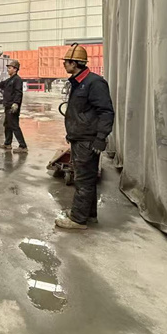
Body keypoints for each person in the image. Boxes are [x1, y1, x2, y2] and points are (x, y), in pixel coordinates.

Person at [55, 44, 115, 230]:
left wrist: (100, 137)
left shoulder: (94, 83)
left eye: (66, 62)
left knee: (82, 180)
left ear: (74, 63)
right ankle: (89, 215)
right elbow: (80, 112)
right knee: (87, 179)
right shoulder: (78, 82)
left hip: (87, 140)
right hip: (79, 137)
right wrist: (72, 134)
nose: (64, 64)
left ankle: (78, 219)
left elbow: (106, 112)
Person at [0, 59, 27, 152]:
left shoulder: (17, 80)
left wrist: (16, 103)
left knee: (14, 125)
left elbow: (18, 92)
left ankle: (23, 146)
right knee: (7, 125)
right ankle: (7, 143)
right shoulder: (9, 80)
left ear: (15, 69)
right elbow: (0, 85)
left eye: (10, 68)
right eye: (8, 68)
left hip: (12, 107)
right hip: (7, 106)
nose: (8, 69)